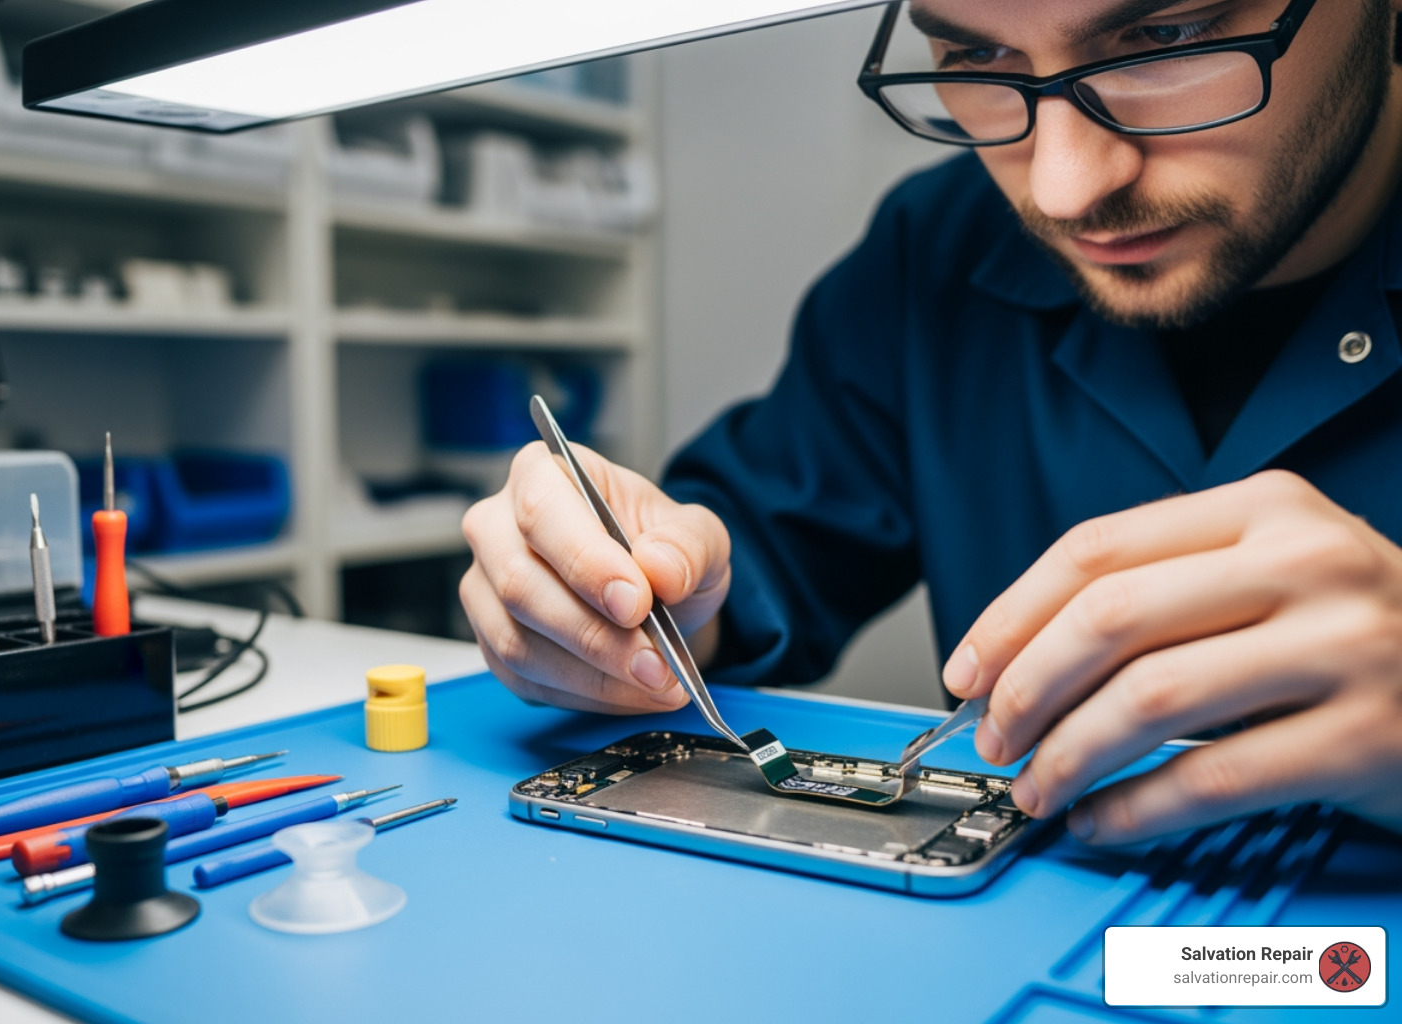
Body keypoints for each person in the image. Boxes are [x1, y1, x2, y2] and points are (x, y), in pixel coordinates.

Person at [460, 0, 1402, 846]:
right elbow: (760, 545)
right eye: (978, 57)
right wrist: (632, 601)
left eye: (1170, 37)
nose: (1066, 191)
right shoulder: (937, 252)